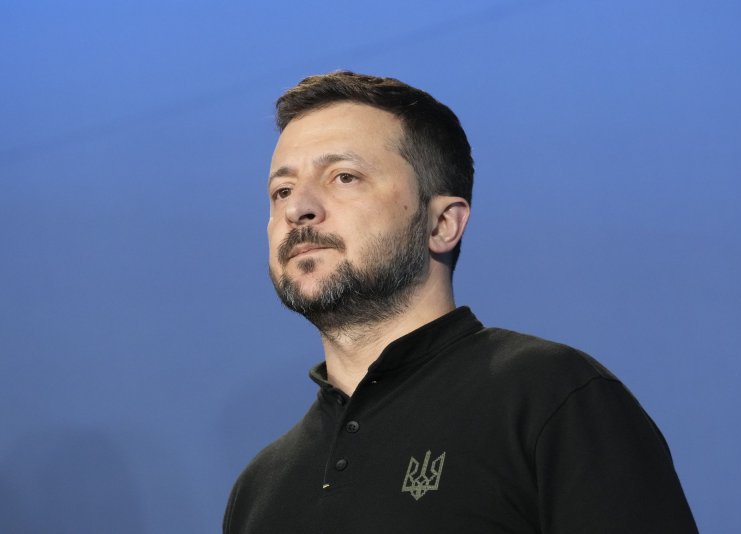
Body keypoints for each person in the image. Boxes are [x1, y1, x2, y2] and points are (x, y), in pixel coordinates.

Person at [223, 71, 698, 533]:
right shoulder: (259, 488)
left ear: (442, 224)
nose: (296, 208)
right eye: (280, 190)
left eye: (344, 177)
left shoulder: (550, 397)